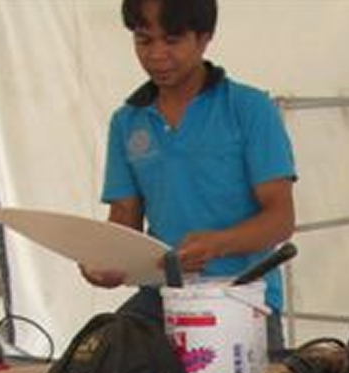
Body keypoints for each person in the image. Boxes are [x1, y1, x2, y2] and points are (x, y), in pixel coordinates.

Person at [85, 0, 297, 349]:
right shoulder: (127, 122)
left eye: (171, 41)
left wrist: (218, 244)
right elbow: (124, 218)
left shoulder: (248, 108)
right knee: (97, 364)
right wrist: (104, 261)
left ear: (204, 38)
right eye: (144, 41)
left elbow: (280, 219)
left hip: (241, 299)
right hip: (162, 300)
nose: (156, 55)